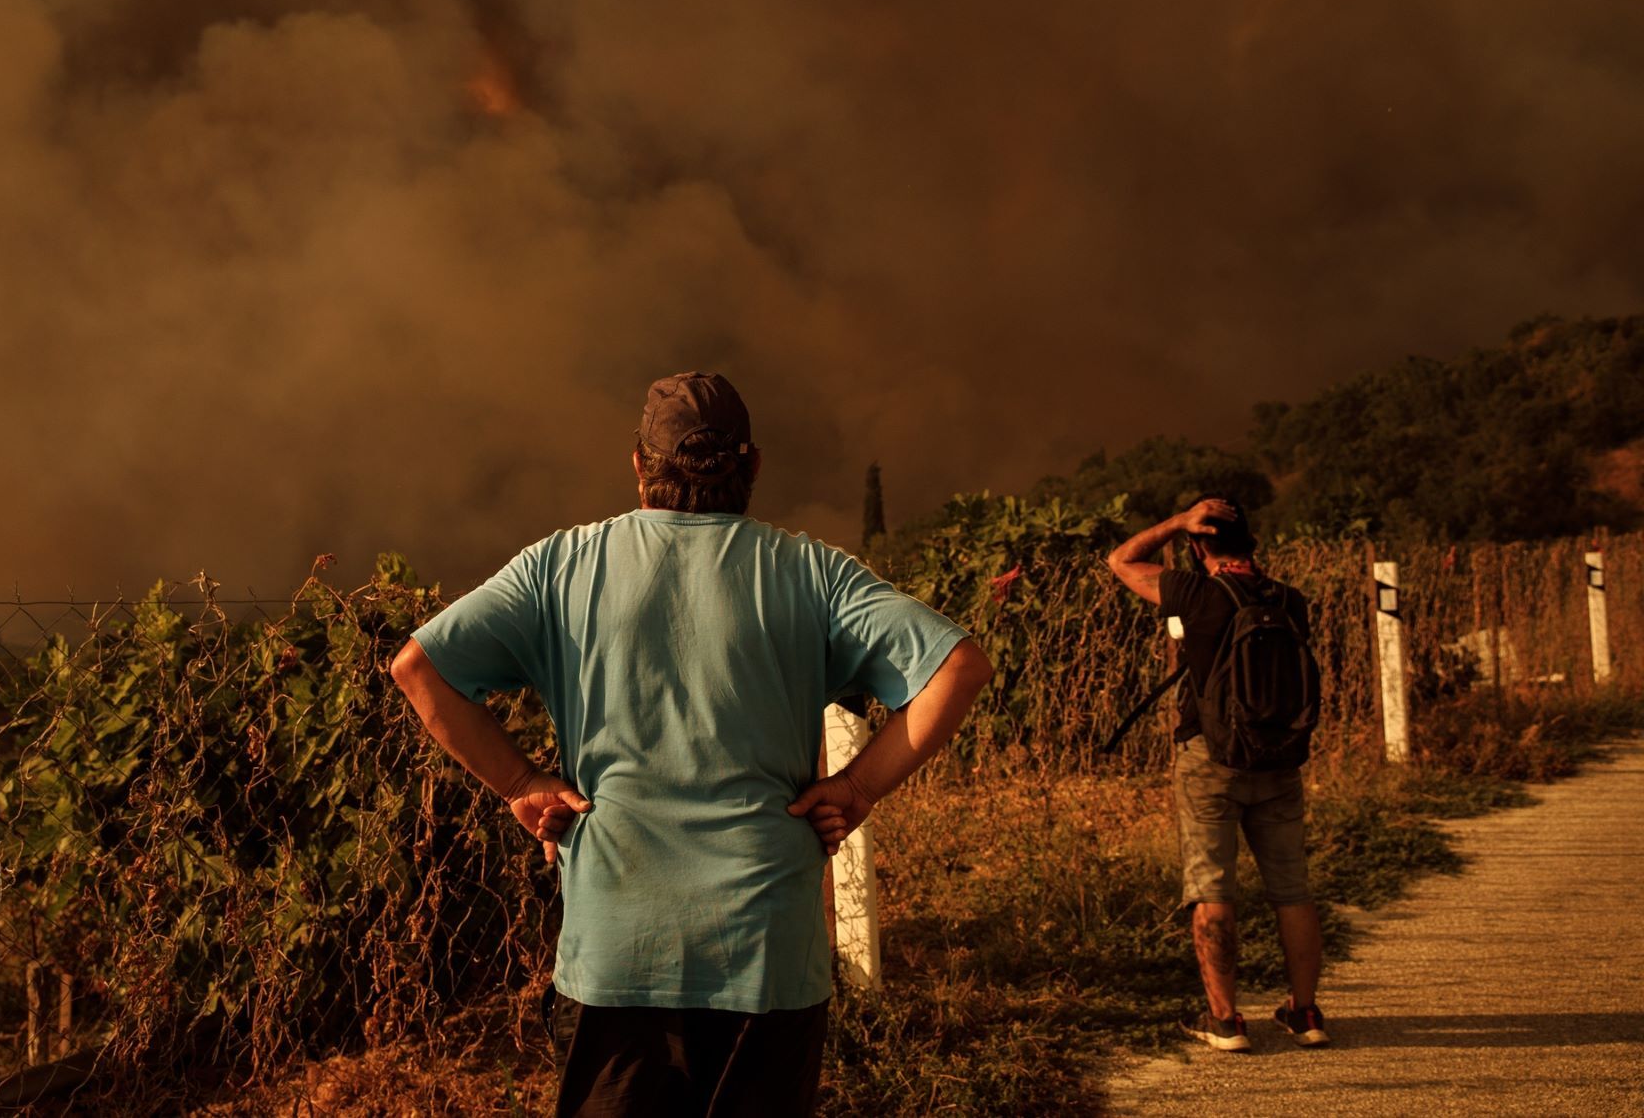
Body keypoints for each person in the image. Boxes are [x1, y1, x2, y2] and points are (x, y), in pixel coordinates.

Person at [388, 372, 994, 1116]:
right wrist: (859, 787)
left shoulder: (562, 565)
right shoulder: (812, 571)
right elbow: (958, 664)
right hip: (767, 958)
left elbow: (417, 667)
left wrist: (521, 783)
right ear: (754, 466)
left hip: (617, 952)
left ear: (640, 465)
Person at [1106, 497, 1330, 1052]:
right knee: (1292, 888)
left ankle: (1225, 1021)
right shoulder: (1290, 600)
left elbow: (1121, 560)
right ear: (1251, 545)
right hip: (1280, 758)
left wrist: (1177, 522)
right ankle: (1305, 1014)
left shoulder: (1196, 592)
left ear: (1198, 544)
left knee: (1211, 888)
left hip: (1211, 759)